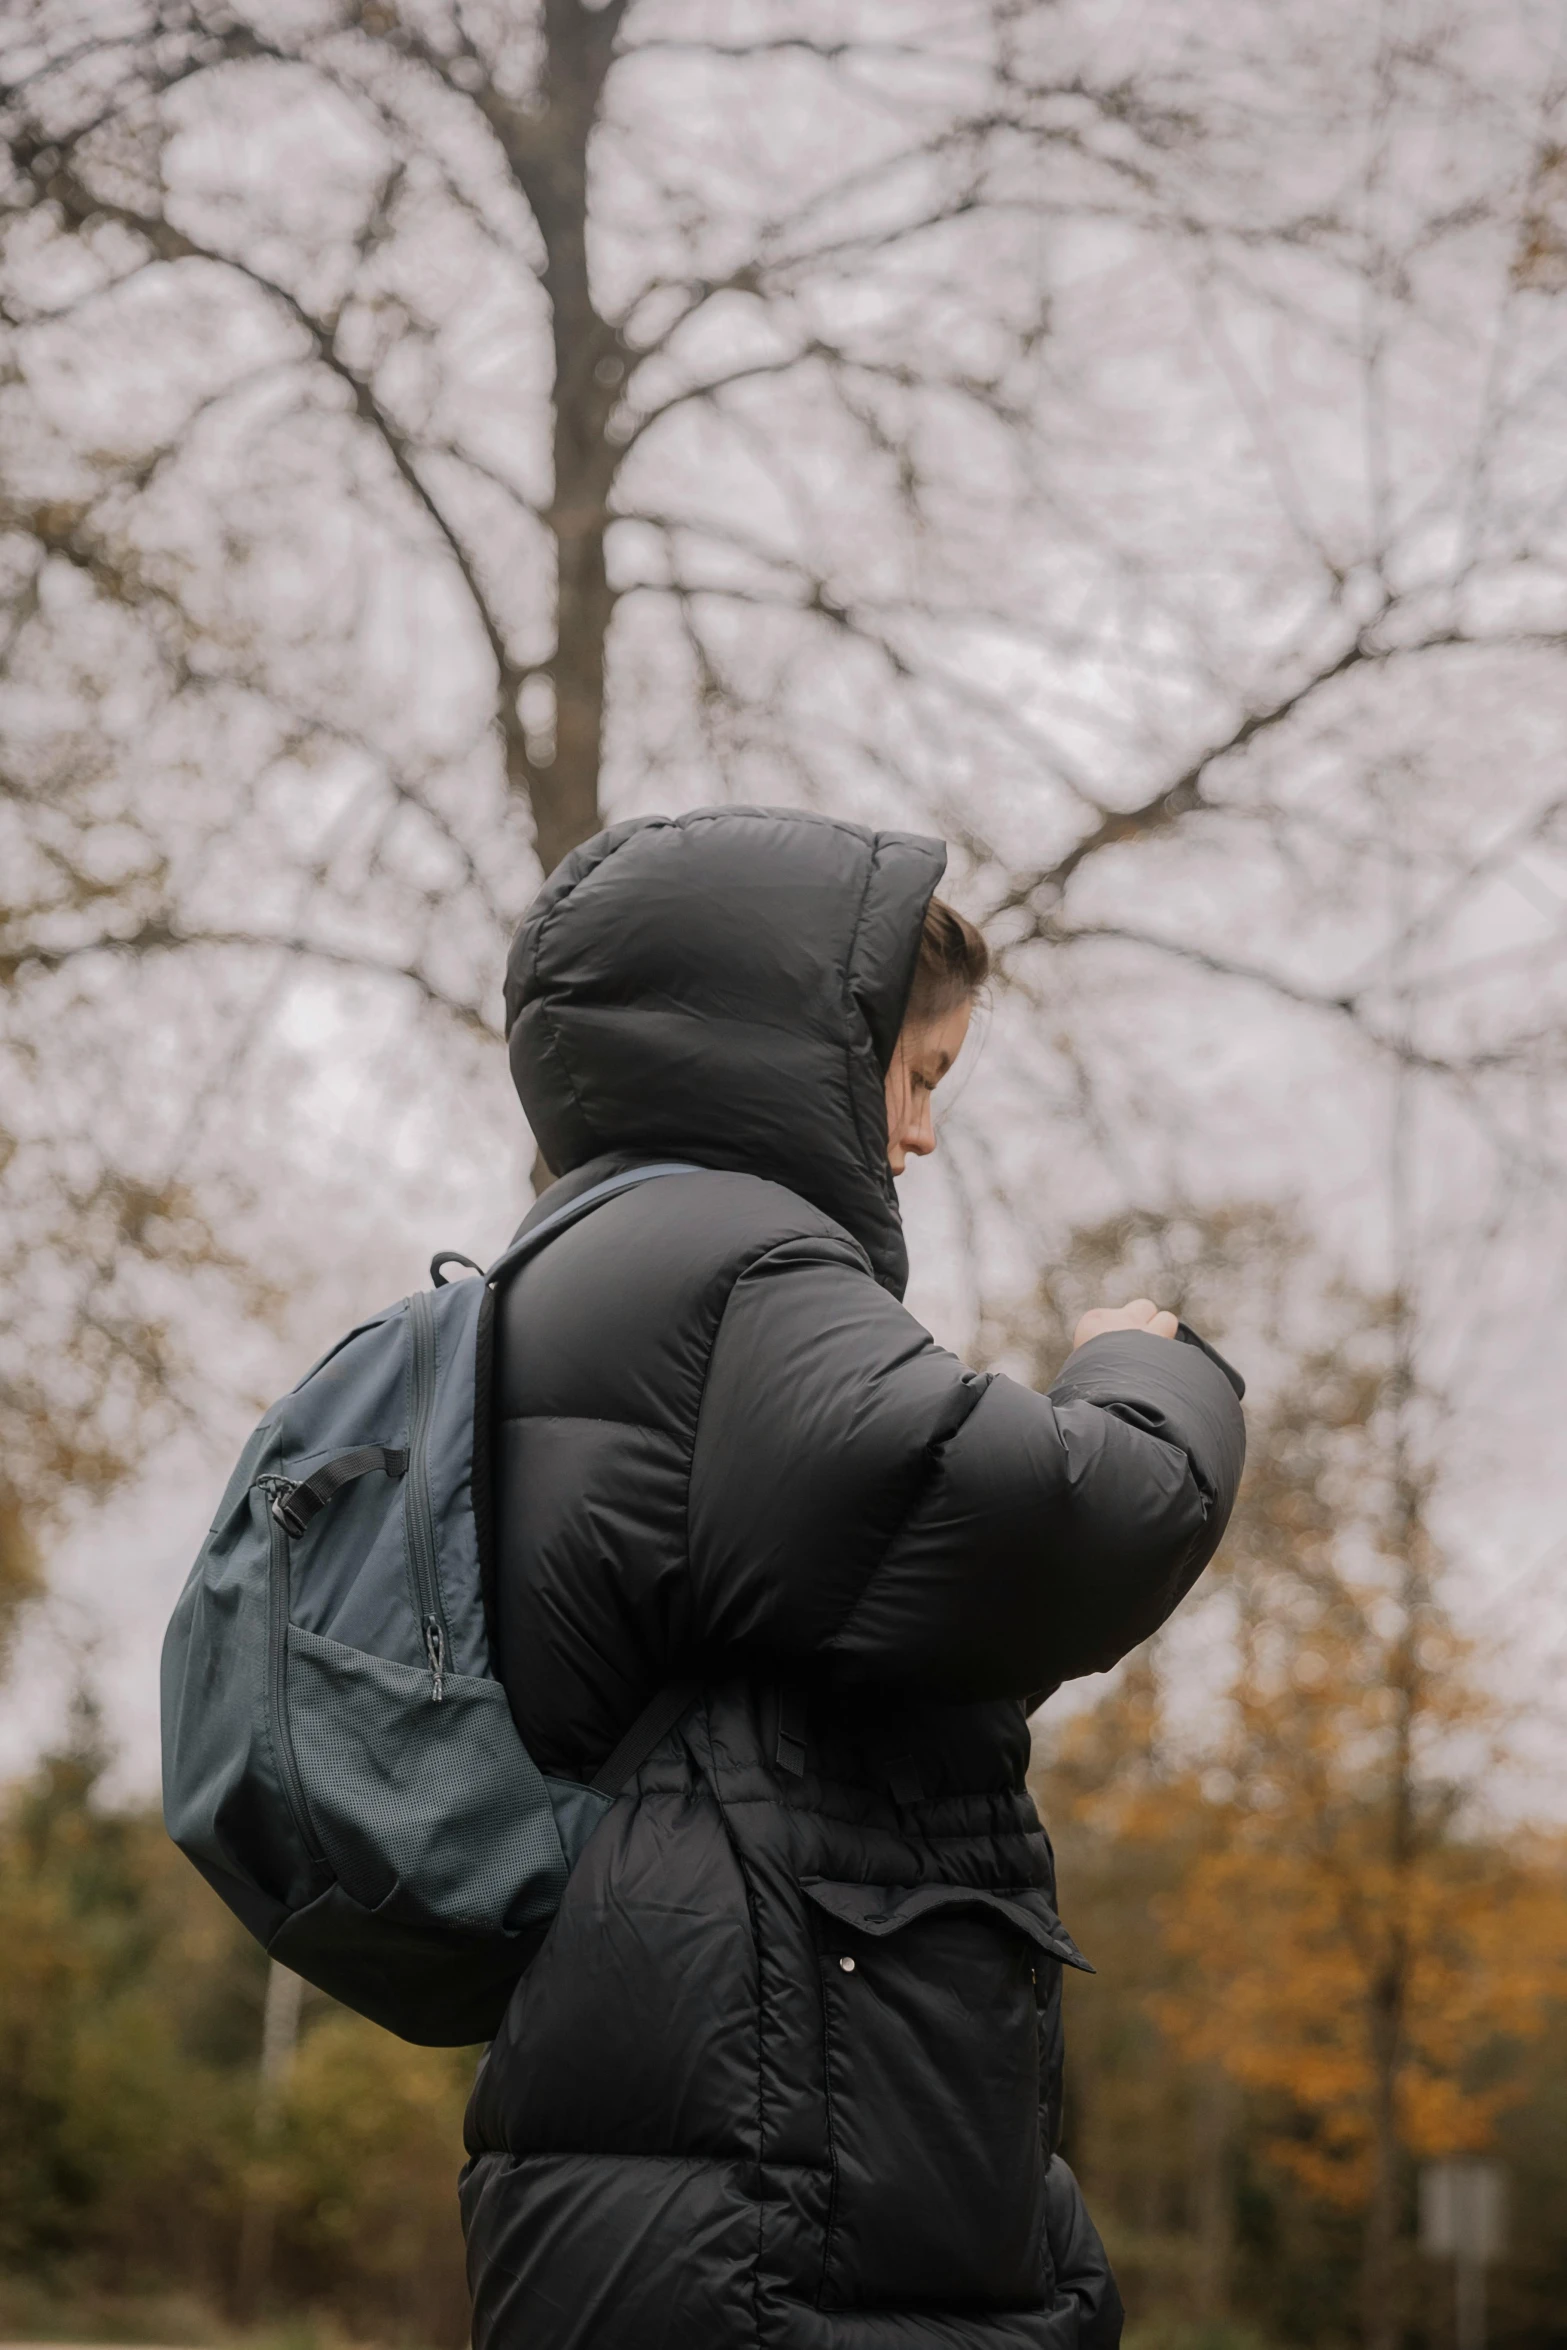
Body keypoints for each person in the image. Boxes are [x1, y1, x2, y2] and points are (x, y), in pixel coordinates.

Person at [461, 806, 1245, 2350]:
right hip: (782, 2142)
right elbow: (1065, 1531)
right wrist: (1144, 1372)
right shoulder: (736, 1274)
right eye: (919, 1073)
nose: (922, 1132)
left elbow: (860, 1621)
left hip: (710, 2096)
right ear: (797, 1049)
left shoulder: (580, 1261)